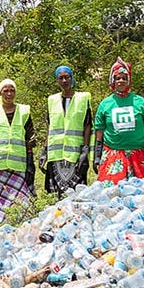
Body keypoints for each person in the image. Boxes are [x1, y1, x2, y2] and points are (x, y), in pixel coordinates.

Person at [92, 58, 144, 184]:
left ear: (129, 80)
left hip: (138, 157)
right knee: (111, 194)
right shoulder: (105, 104)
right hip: (113, 156)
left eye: (124, 78)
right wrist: (96, 156)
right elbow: (99, 135)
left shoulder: (141, 102)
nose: (121, 81)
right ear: (113, 80)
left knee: (140, 195)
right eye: (118, 78)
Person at [0, 79, 36, 227]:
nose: (9, 93)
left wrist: (30, 163)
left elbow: (30, 138)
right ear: (0, 93)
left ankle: (22, 228)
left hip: (19, 166)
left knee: (22, 202)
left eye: (12, 90)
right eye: (6, 90)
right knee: (0, 201)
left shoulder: (24, 111)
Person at [40, 65, 93, 195]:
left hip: (75, 153)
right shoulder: (52, 100)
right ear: (57, 81)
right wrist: (44, 150)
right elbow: (49, 126)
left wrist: (85, 149)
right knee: (54, 193)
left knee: (77, 193)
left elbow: (87, 124)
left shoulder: (82, 98)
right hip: (56, 154)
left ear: (72, 78)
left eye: (67, 77)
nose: (64, 81)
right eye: (61, 78)